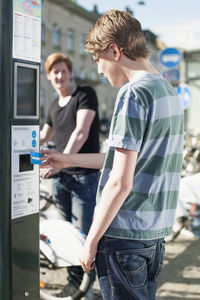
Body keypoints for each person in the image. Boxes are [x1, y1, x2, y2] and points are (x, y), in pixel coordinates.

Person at [40, 10, 184, 300]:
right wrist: (66, 160)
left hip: (123, 237)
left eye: (98, 60)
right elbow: (127, 162)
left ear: (114, 50)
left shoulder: (133, 94)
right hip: (153, 238)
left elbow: (120, 182)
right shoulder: (169, 93)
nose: (98, 72)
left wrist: (91, 240)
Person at [40, 52, 100, 297]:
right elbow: (44, 135)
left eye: (64, 70)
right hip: (61, 179)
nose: (60, 76)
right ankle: (75, 284)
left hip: (83, 177)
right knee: (65, 233)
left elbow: (81, 132)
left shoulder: (84, 94)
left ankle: (86, 288)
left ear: (71, 72)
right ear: (49, 76)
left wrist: (60, 162)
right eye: (54, 72)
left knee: (82, 235)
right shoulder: (54, 104)